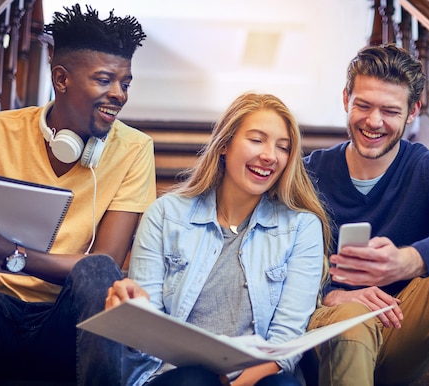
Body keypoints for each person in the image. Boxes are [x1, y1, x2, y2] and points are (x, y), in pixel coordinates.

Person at [0, 4, 155, 385]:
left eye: (125, 83)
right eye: (104, 80)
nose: (119, 95)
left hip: (63, 322)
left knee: (99, 272)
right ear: (61, 79)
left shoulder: (134, 149)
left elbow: (105, 261)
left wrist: (9, 253)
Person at [303, 44, 429, 386]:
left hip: (401, 329)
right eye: (363, 105)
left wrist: (408, 261)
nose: (374, 121)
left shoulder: (427, 168)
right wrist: (331, 294)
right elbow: (273, 261)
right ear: (345, 100)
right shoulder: (308, 175)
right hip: (330, 335)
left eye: (390, 110)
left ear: (413, 111)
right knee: (352, 317)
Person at [105, 92, 331, 386]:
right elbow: (145, 343)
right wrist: (137, 310)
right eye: (256, 139)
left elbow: (285, 344)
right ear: (224, 144)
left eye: (283, 147)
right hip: (177, 376)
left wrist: (233, 385)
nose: (270, 155)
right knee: (195, 380)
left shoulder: (301, 227)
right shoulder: (165, 214)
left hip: (258, 378)